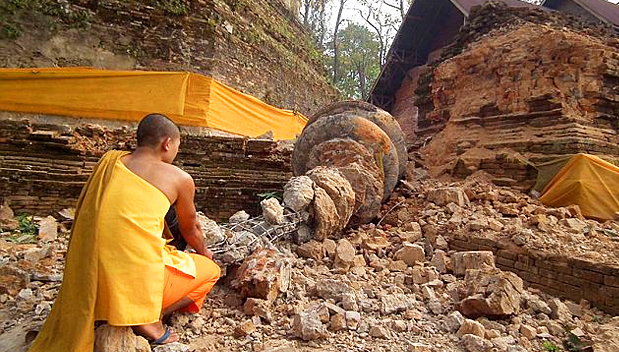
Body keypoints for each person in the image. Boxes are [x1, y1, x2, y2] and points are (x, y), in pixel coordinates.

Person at [28, 114, 220, 352]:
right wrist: (204, 252)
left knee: (159, 244)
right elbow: (191, 229)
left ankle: (112, 308)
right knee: (210, 272)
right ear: (167, 143)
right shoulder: (179, 178)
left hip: (91, 281)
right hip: (134, 282)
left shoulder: (110, 162)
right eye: (178, 146)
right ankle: (148, 319)